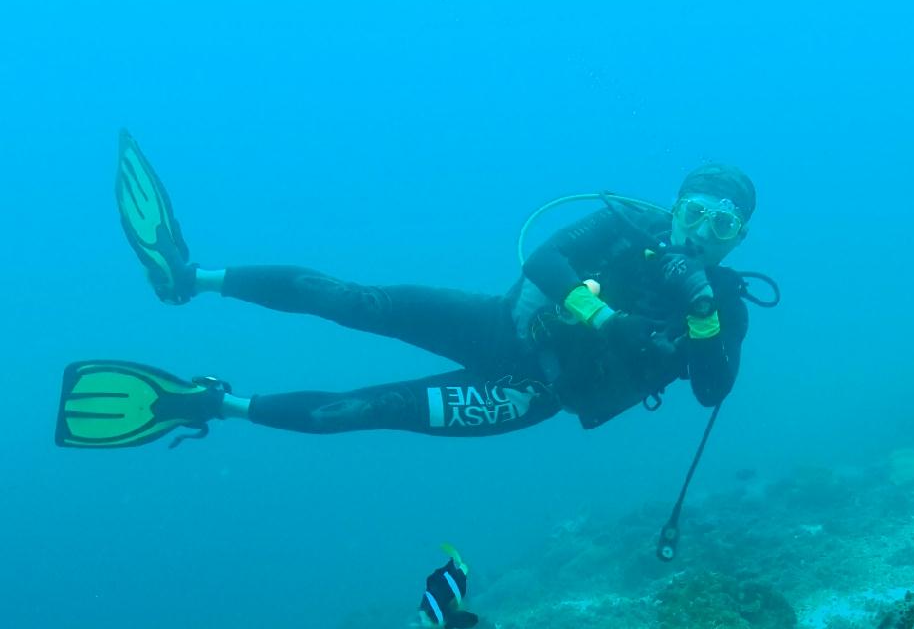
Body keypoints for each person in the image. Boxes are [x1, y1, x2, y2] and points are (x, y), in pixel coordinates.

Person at [56, 133, 771, 452]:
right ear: (675, 207)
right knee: (356, 301)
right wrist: (606, 318)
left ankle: (211, 402)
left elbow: (712, 391)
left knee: (366, 410)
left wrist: (704, 316)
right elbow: (548, 260)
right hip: (498, 326)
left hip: (533, 393)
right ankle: (190, 277)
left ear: (737, 238)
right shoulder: (625, 224)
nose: (703, 231)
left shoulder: (723, 303)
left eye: (722, 223)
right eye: (695, 211)